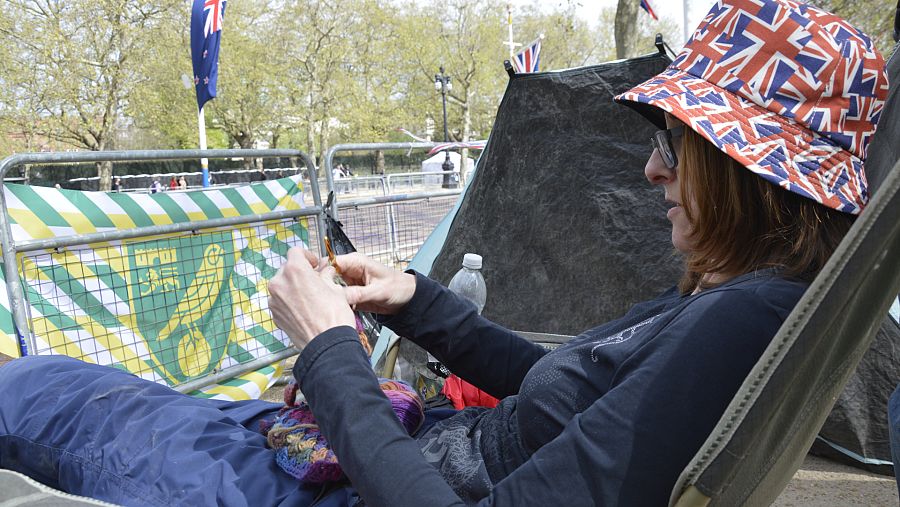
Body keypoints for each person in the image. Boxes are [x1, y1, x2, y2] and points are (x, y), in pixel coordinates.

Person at [0, 1, 888, 506]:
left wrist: (329, 353)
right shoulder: (757, 302)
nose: (653, 167)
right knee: (73, 390)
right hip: (395, 454)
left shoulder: (742, 321)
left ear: (748, 174)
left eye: (676, 143)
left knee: (53, 397)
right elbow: (560, 394)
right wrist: (414, 298)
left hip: (359, 485)